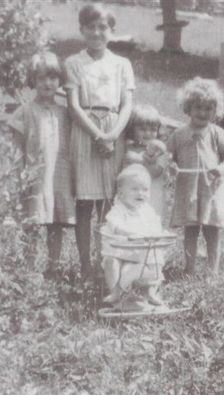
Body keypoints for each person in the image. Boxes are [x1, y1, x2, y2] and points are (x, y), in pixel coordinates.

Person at [64, 4, 135, 282]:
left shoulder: (122, 64)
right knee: (85, 203)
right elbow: (72, 105)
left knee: (107, 203)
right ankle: (85, 266)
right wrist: (97, 135)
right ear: (82, 29)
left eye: (102, 27)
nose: (96, 32)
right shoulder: (73, 63)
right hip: (85, 133)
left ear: (112, 31)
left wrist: (113, 135)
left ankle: (106, 263)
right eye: (90, 27)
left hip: (113, 132)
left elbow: (127, 103)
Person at [8, 52, 75, 278]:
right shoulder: (25, 111)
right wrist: (19, 174)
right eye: (42, 78)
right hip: (35, 175)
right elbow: (16, 147)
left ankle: (53, 267)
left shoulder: (65, 112)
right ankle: (29, 268)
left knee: (56, 221)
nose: (48, 83)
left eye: (53, 78)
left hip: (59, 174)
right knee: (33, 222)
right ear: (32, 80)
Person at [167, 77, 224, 276]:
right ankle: (189, 270)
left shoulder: (217, 133)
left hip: (210, 189)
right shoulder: (179, 134)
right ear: (188, 108)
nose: (203, 113)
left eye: (208, 109)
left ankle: (212, 272)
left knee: (212, 230)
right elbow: (169, 158)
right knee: (191, 230)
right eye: (198, 107)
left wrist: (221, 169)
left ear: (215, 110)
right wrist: (171, 166)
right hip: (189, 189)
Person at [101, 164, 166, 310]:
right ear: (121, 193)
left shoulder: (147, 211)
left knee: (157, 257)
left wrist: (157, 234)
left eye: (145, 189)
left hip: (142, 252)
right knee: (110, 261)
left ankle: (150, 291)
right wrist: (130, 234)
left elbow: (156, 226)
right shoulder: (118, 210)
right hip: (122, 252)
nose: (140, 193)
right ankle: (115, 291)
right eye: (135, 189)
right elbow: (115, 225)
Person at [125, 104, 169, 221]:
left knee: (150, 221)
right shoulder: (128, 148)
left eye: (153, 130)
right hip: (131, 194)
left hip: (152, 194)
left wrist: (142, 160)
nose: (148, 133)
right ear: (132, 129)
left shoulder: (159, 150)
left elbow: (156, 172)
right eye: (143, 129)